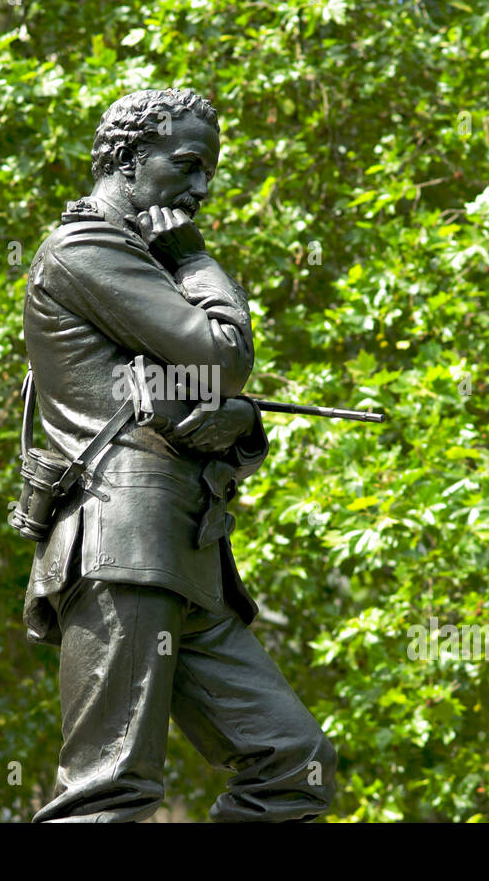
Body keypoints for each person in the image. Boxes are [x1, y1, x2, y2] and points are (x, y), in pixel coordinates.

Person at [22, 88, 336, 822]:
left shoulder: (140, 262)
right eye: (188, 165)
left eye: (210, 174)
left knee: (295, 762)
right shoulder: (87, 248)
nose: (200, 190)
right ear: (131, 160)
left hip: (189, 561)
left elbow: (194, 391)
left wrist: (238, 421)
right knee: (111, 790)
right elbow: (220, 354)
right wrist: (196, 260)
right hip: (122, 544)